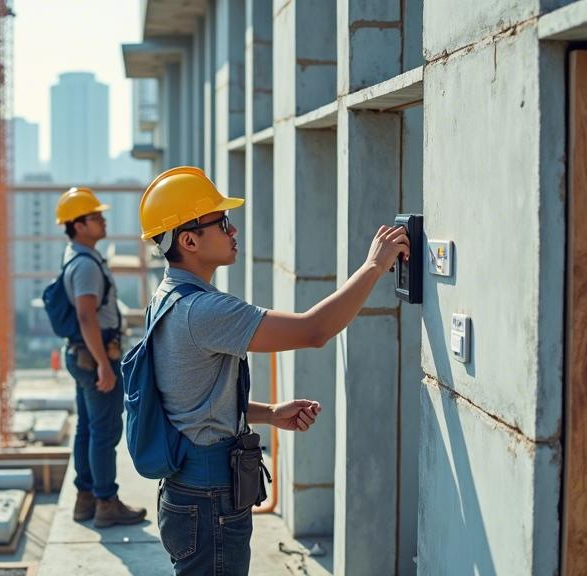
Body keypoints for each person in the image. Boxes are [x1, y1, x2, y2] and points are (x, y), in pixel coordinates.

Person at [137, 166, 410, 574]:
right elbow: (314, 330)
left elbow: (192, 401)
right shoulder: (203, 310)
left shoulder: (167, 299)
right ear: (189, 239)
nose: (233, 231)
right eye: (222, 222)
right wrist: (374, 266)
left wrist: (268, 413)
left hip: (189, 493)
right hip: (209, 499)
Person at [55, 187, 147, 528]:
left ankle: (86, 499)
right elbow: (86, 316)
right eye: (96, 217)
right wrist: (104, 366)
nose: (103, 220)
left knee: (88, 429)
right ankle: (106, 502)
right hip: (95, 356)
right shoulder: (86, 266)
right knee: (105, 431)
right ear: (78, 225)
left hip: (84, 355)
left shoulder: (77, 256)